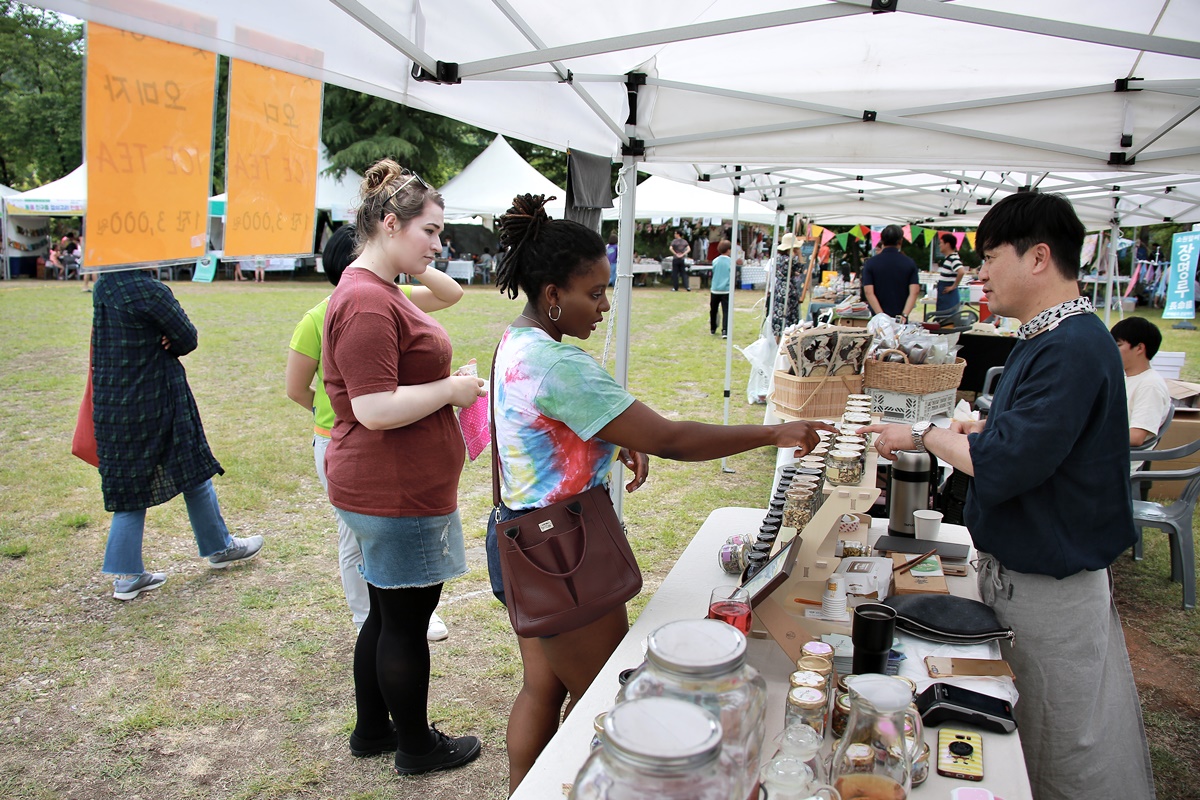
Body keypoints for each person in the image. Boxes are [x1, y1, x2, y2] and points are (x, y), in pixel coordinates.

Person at [487, 193, 832, 793]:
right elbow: (672, 438)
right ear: (552, 294)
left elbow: (540, 431)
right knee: (608, 704)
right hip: (563, 556)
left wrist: (604, 440)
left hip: (523, 543)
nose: (604, 307)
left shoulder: (518, 343)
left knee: (542, 686)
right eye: (594, 293)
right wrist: (774, 431)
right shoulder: (561, 366)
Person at [860, 192, 1155, 800]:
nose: (981, 273)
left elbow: (1009, 461)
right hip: (1029, 574)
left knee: (1056, 745)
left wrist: (924, 432)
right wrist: (976, 428)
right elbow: (1034, 437)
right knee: (1040, 732)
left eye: (992, 257)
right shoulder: (1050, 338)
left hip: (1049, 587)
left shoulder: (1071, 346)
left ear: (1038, 257)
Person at [322, 159, 484, 775]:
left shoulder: (379, 288)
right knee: (406, 624)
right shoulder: (367, 300)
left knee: (388, 615)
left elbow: (447, 296)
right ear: (390, 223)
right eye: (431, 231)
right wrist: (450, 390)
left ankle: (372, 730)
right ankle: (417, 747)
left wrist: (412, 257)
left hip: (391, 485)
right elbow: (373, 409)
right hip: (394, 489)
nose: (439, 245)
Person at [285, 224, 464, 639]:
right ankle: (364, 614)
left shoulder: (393, 297)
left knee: (385, 558)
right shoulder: (330, 313)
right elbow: (296, 388)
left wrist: (413, 260)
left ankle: (389, 615)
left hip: (382, 438)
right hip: (342, 440)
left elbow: (451, 293)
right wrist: (336, 413)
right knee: (355, 541)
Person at [92, 268, 264, 601]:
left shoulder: (105, 286)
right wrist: (168, 336)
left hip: (114, 398)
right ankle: (219, 547)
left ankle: (128, 574)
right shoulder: (150, 291)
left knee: (129, 485)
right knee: (193, 468)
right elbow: (187, 338)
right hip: (158, 396)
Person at [1111, 316, 1172, 455]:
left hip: (1116, 460)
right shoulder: (1126, 380)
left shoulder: (1150, 385)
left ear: (1139, 348)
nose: (1111, 350)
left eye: (1118, 345)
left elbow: (1136, 436)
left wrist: (1091, 437)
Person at [861, 224, 919, 319]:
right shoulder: (909, 263)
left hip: (878, 318)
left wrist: (881, 315)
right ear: (900, 241)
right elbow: (915, 292)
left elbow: (868, 292)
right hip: (900, 316)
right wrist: (904, 315)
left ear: (882, 240)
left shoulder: (871, 263)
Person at [770, 232, 802, 338]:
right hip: (787, 288)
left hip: (779, 287)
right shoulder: (790, 260)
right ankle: (786, 338)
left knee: (780, 315)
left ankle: (778, 339)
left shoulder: (779, 258)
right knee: (788, 315)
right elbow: (800, 269)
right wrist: (799, 255)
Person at [935, 233, 966, 318]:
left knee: (948, 318)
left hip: (949, 296)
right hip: (944, 295)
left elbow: (961, 271)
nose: (939, 245)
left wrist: (953, 286)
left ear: (947, 244)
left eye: (941, 243)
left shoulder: (953, 258)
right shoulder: (948, 259)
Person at [709, 238, 732, 338]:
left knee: (713, 309)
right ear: (728, 250)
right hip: (726, 289)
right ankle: (725, 330)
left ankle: (713, 327)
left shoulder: (715, 261)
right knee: (726, 310)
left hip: (715, 288)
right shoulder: (730, 261)